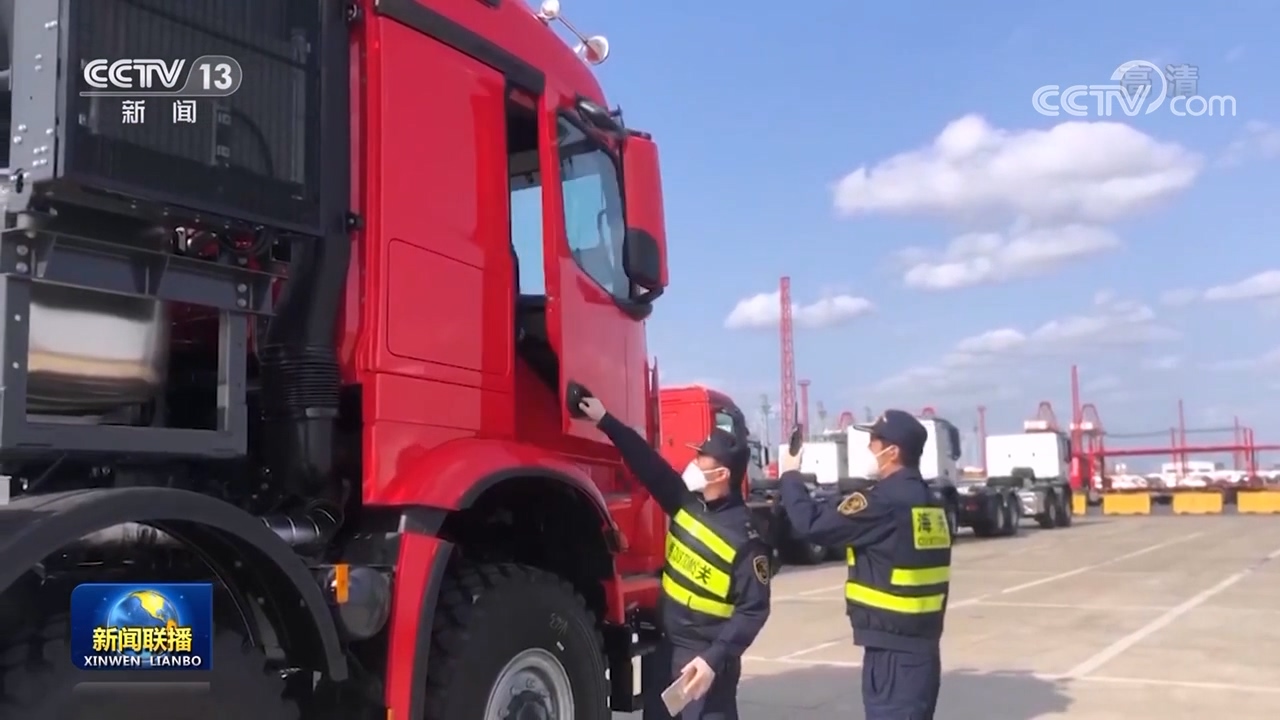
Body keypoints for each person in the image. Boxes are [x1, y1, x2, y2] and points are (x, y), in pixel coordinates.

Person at [578, 396, 770, 720]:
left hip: (704, 663)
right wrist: (604, 419)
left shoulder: (745, 539)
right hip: (666, 651)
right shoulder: (687, 504)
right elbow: (648, 464)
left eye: (702, 459)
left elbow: (754, 610)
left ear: (721, 474)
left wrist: (713, 659)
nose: (694, 463)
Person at [776, 410, 952, 720]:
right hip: (921, 647)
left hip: (893, 656)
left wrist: (790, 475)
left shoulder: (883, 502)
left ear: (892, 451)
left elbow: (812, 524)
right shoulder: (929, 502)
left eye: (875, 441)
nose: (870, 447)